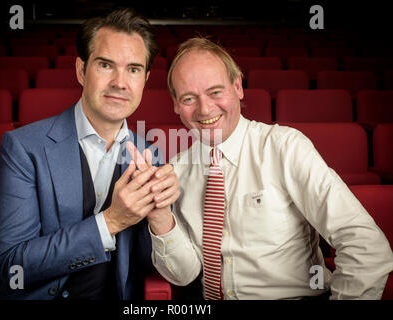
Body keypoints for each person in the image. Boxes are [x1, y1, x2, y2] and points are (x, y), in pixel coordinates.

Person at [149, 37, 393, 300]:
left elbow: (367, 246)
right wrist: (161, 218)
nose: (205, 108)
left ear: (238, 86)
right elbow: (184, 275)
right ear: (175, 104)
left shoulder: (285, 147)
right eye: (188, 98)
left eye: (216, 92)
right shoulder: (177, 170)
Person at [0, 8, 179, 300]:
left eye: (133, 69)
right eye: (106, 65)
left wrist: (161, 221)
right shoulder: (22, 147)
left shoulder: (152, 156)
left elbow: (148, 267)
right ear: (81, 70)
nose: (120, 83)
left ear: (145, 79)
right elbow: (13, 264)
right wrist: (110, 222)